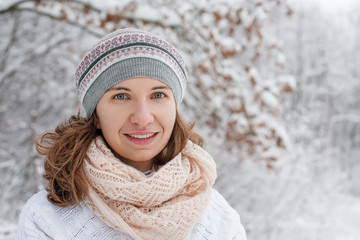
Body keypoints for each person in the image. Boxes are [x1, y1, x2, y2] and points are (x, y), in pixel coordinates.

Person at [16, 28, 247, 240]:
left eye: (158, 95)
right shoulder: (47, 218)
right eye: (121, 97)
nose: (142, 117)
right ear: (96, 114)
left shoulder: (218, 218)